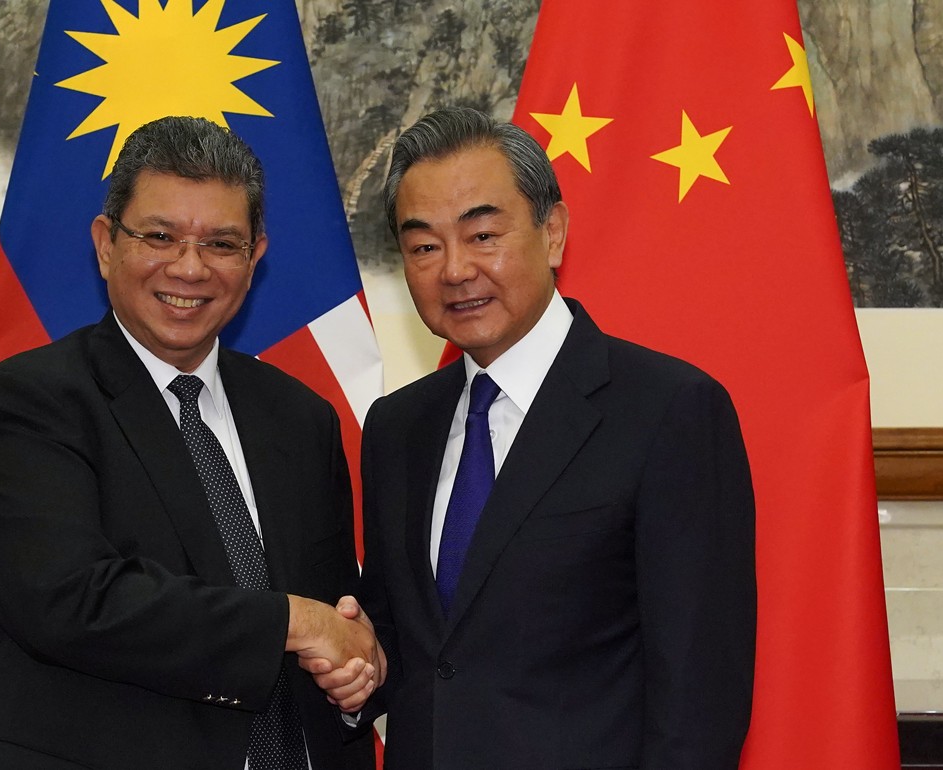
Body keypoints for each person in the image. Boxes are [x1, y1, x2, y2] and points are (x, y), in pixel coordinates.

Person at [314, 107, 757, 768]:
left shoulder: (670, 411)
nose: (455, 270)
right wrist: (358, 668)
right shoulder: (398, 427)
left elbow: (698, 699)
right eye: (424, 247)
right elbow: (413, 647)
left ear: (552, 233)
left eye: (483, 234)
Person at [0, 116, 378, 770]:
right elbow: (72, 602)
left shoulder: (300, 418)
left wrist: (357, 670)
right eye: (160, 236)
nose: (190, 266)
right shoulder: (28, 402)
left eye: (223, 243)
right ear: (104, 244)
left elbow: (337, 613)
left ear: (255, 257)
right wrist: (296, 622)